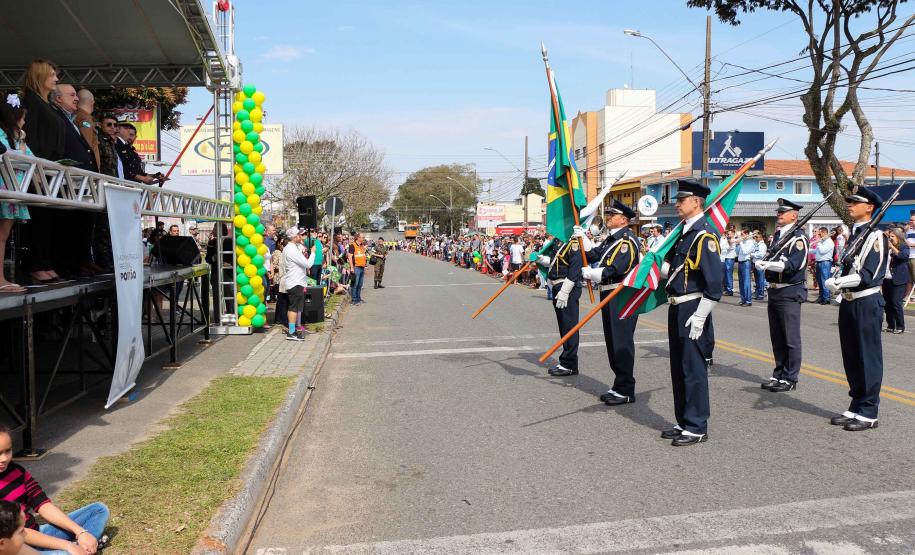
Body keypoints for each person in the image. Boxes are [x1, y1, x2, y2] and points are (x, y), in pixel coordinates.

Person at [659, 179, 722, 447]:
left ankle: (697, 425)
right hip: (677, 305)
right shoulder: (683, 234)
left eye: (681, 199)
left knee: (693, 369)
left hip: (693, 307)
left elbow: (715, 283)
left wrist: (700, 316)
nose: (676, 203)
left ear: (696, 202)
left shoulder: (704, 236)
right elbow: (672, 271)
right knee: (679, 367)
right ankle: (684, 419)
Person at [824, 187, 889, 432]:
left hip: (866, 301)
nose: (849, 205)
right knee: (851, 356)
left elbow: (870, 275)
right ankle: (857, 402)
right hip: (849, 301)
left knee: (867, 357)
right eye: (849, 202)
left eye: (854, 202)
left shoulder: (877, 236)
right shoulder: (855, 234)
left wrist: (840, 282)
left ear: (869, 207)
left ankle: (869, 410)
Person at [0, 425, 108, 554]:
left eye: (8, 451)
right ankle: (82, 547)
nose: (4, 458)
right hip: (16, 546)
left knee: (98, 510)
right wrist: (66, 545)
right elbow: (18, 532)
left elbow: (42, 504)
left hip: (38, 532)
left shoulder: (17, 471)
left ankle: (83, 546)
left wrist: (80, 532)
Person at [578, 200, 640, 405]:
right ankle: (619, 384)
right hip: (609, 295)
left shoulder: (626, 241)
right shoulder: (611, 239)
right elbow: (594, 254)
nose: (608, 218)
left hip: (620, 296)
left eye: (612, 215)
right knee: (613, 342)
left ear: (623, 219)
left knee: (621, 343)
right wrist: (583, 238)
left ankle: (626, 389)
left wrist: (594, 273)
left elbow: (617, 269)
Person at [755, 199, 808, 393]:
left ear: (794, 215)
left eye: (784, 212)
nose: (779, 214)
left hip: (790, 290)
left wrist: (768, 265)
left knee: (790, 337)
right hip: (775, 289)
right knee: (777, 336)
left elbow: (793, 264)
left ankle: (790, 377)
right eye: (779, 211)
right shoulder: (778, 235)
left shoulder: (798, 238)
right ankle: (778, 373)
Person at [533, 232, 583, 377]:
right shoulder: (558, 241)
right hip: (556, 286)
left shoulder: (573, 242)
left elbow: (574, 268)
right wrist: (541, 259)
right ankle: (567, 361)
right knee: (564, 326)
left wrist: (565, 291)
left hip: (567, 287)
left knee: (569, 326)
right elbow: (556, 262)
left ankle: (569, 364)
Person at [0, 94, 32, 294]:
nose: (25, 122)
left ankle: (1, 278)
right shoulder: (4, 135)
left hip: (12, 189)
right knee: (1, 236)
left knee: (3, 235)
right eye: (23, 118)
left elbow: (31, 158)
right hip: (5, 188)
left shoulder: (15, 137)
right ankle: (0, 279)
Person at [49, 85, 96, 173]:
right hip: (67, 178)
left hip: (79, 178)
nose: (77, 99)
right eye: (72, 95)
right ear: (59, 98)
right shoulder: (55, 118)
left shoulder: (70, 119)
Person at [282, 226, 315, 341]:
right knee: (294, 308)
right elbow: (308, 264)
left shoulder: (292, 248)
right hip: (295, 282)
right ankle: (291, 332)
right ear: (294, 237)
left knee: (294, 308)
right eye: (299, 235)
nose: (301, 237)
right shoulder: (291, 249)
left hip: (296, 281)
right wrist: (313, 253)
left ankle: (292, 330)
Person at [882, 227, 910, 334]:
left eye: (892, 236)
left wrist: (892, 247)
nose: (890, 238)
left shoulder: (904, 246)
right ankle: (890, 325)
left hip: (898, 279)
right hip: (887, 278)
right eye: (889, 237)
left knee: (896, 303)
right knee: (887, 303)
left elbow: (904, 256)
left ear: (898, 237)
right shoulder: (887, 247)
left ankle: (900, 326)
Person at [73, 90, 99, 170]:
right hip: (87, 169)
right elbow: (87, 146)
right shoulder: (85, 119)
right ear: (92, 102)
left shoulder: (75, 116)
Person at [813, 227, 835, 304]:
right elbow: (816, 251)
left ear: (824, 233)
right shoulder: (823, 241)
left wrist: (818, 242)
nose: (819, 235)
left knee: (824, 281)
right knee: (819, 281)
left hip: (825, 263)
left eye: (820, 233)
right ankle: (821, 297)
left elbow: (822, 251)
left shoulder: (829, 242)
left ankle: (826, 298)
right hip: (819, 262)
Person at [347, 232, 368, 305]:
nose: (363, 238)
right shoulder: (352, 246)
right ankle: (354, 300)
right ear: (358, 238)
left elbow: (362, 255)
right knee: (355, 284)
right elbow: (349, 257)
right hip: (356, 268)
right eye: (362, 237)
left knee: (360, 284)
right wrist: (352, 267)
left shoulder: (362, 246)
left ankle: (358, 298)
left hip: (362, 267)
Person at [735, 229, 754, 306]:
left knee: (746, 282)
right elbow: (737, 252)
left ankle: (748, 301)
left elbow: (746, 251)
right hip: (740, 262)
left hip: (746, 263)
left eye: (742, 234)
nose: (741, 236)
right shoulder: (742, 242)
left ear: (746, 234)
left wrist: (741, 243)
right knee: (741, 282)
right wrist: (738, 244)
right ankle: (743, 299)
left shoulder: (750, 242)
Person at [751, 230, 768, 300]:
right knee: (757, 280)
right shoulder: (756, 244)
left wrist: (752, 255)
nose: (755, 238)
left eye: (757, 237)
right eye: (755, 237)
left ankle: (761, 294)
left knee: (760, 280)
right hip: (755, 263)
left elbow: (761, 254)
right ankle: (757, 292)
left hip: (760, 264)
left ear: (761, 238)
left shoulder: (762, 245)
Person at [720, 228, 737, 296]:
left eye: (729, 234)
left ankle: (730, 290)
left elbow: (729, 247)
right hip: (725, 258)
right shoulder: (727, 240)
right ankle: (726, 288)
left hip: (730, 258)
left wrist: (728, 240)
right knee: (725, 275)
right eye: (727, 234)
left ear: (733, 234)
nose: (728, 235)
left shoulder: (733, 240)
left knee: (729, 275)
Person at [906, 215, 915, 300]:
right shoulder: (908, 231)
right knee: (909, 278)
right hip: (908, 257)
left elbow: (909, 243)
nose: (910, 221)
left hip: (914, 258)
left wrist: (911, 245)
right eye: (910, 220)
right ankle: (908, 295)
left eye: (912, 220)